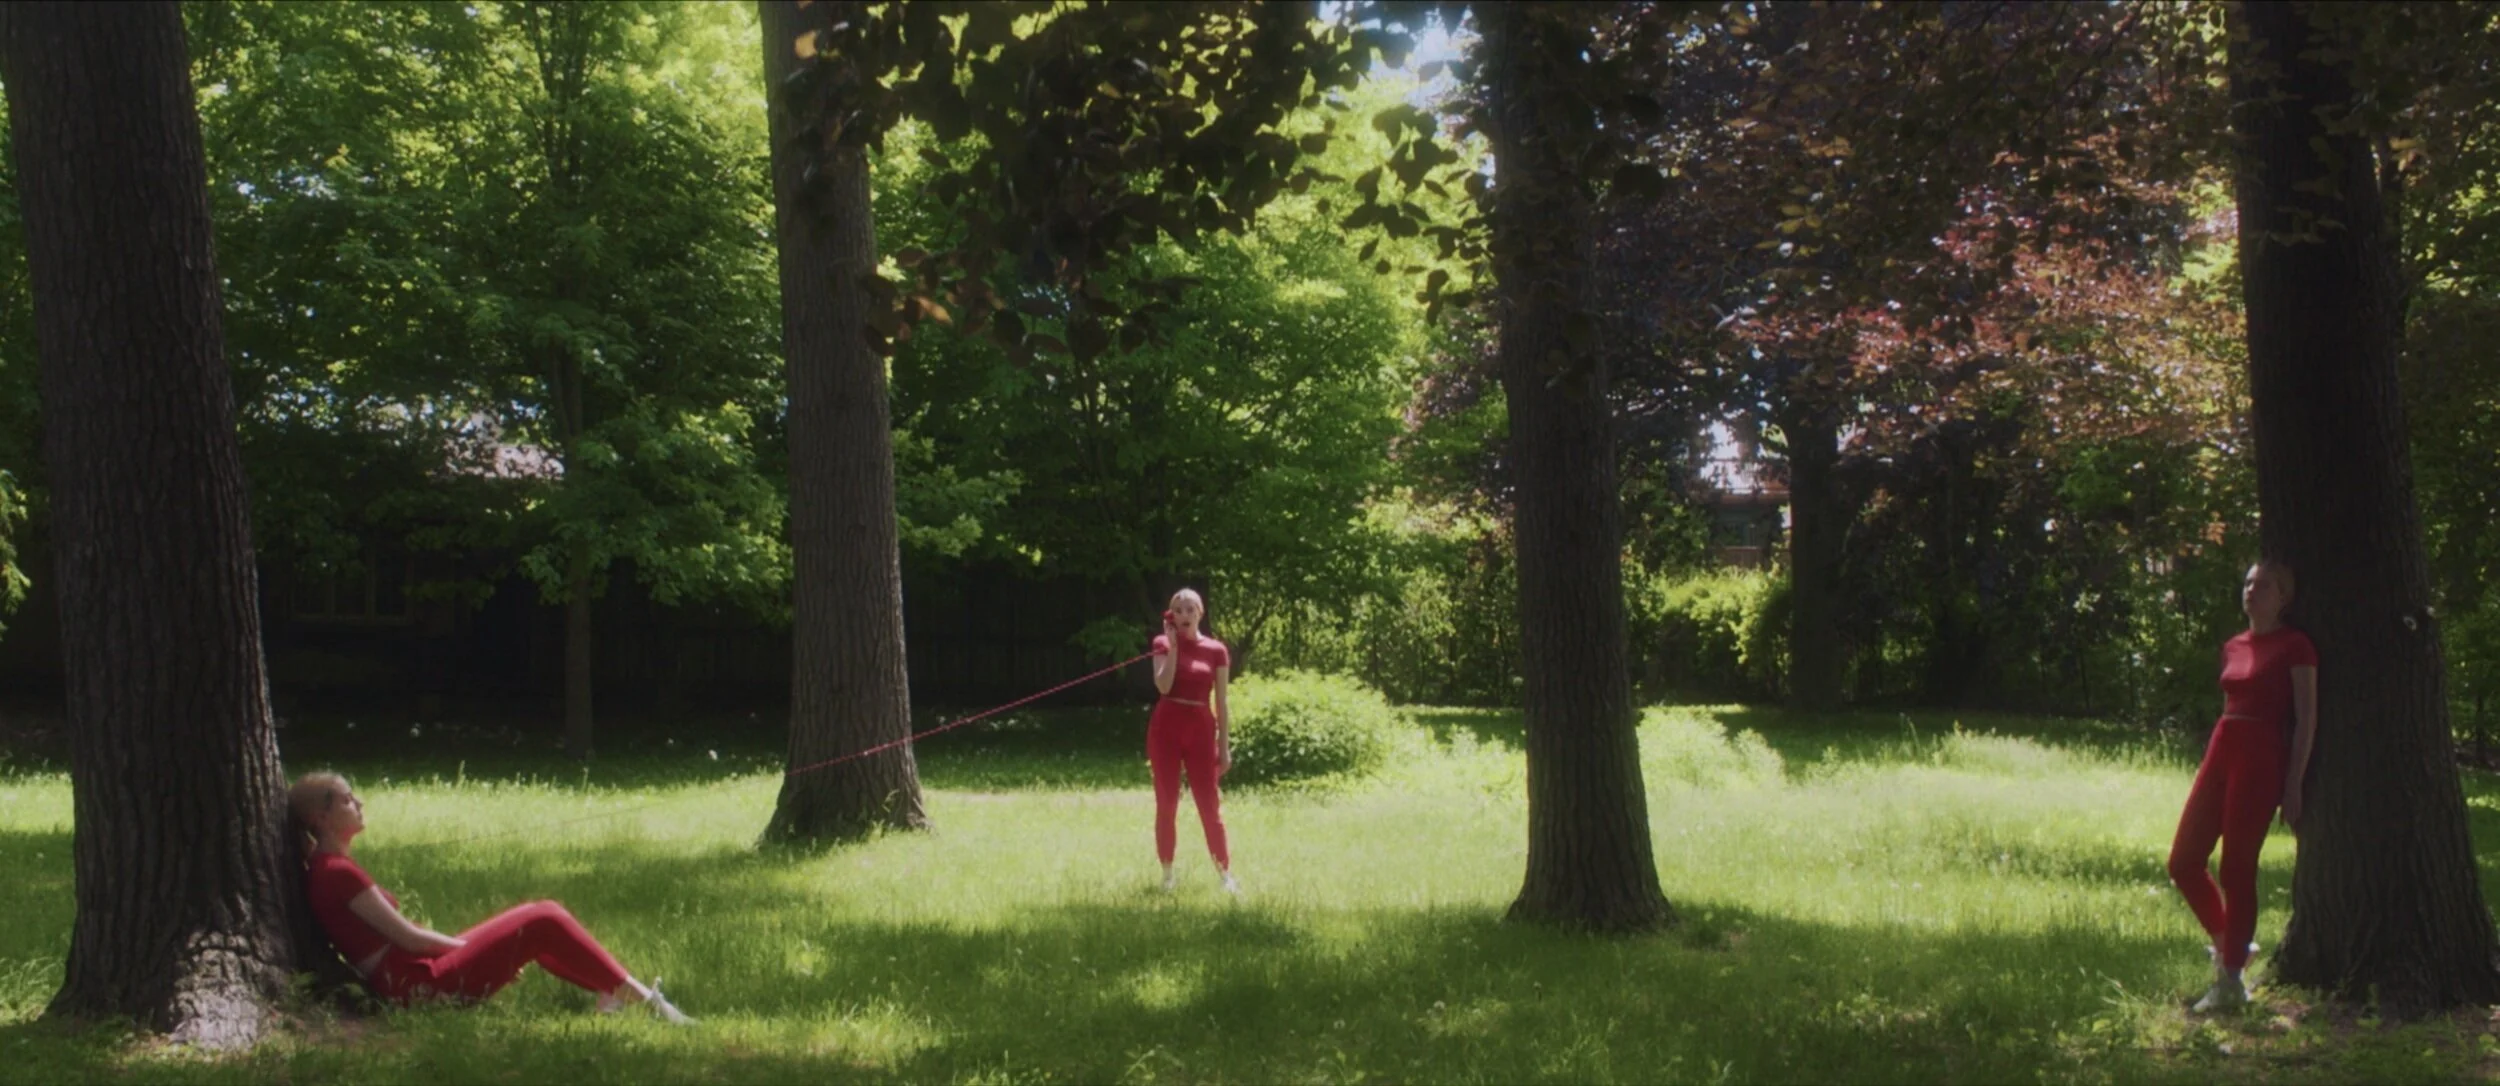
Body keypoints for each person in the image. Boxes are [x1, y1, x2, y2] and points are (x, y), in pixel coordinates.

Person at [287, 771, 693, 1022]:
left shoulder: (327, 866)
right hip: (418, 986)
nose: (359, 803)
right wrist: (475, 951)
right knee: (544, 918)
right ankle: (647, 1002)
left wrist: (487, 952)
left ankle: (614, 992)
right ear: (321, 818)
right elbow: (409, 939)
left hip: (413, 976)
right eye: (347, 799)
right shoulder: (336, 872)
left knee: (536, 916)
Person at [2167, 560, 2318, 1013]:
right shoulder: (2233, 645)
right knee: (2184, 860)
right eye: (2248, 582)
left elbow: (2307, 717)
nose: (2252, 590)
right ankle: (2230, 944)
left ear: (2283, 596)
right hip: (2222, 749)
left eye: (2264, 585)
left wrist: (2294, 783)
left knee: (2236, 867)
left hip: (2261, 758)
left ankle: (2231, 981)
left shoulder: (2296, 645)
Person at [1149, 588, 1238, 893]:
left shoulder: (1216, 650)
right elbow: (1163, 686)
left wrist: (1224, 747)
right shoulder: (1162, 643)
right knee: (1167, 801)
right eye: (1178, 610)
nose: (1184, 615)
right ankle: (1167, 874)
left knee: (1209, 803)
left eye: (1190, 609)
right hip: (1166, 728)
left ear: (1200, 613)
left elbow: (1222, 701)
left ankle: (1225, 875)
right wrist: (1174, 648)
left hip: (1200, 728)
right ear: (1170, 616)